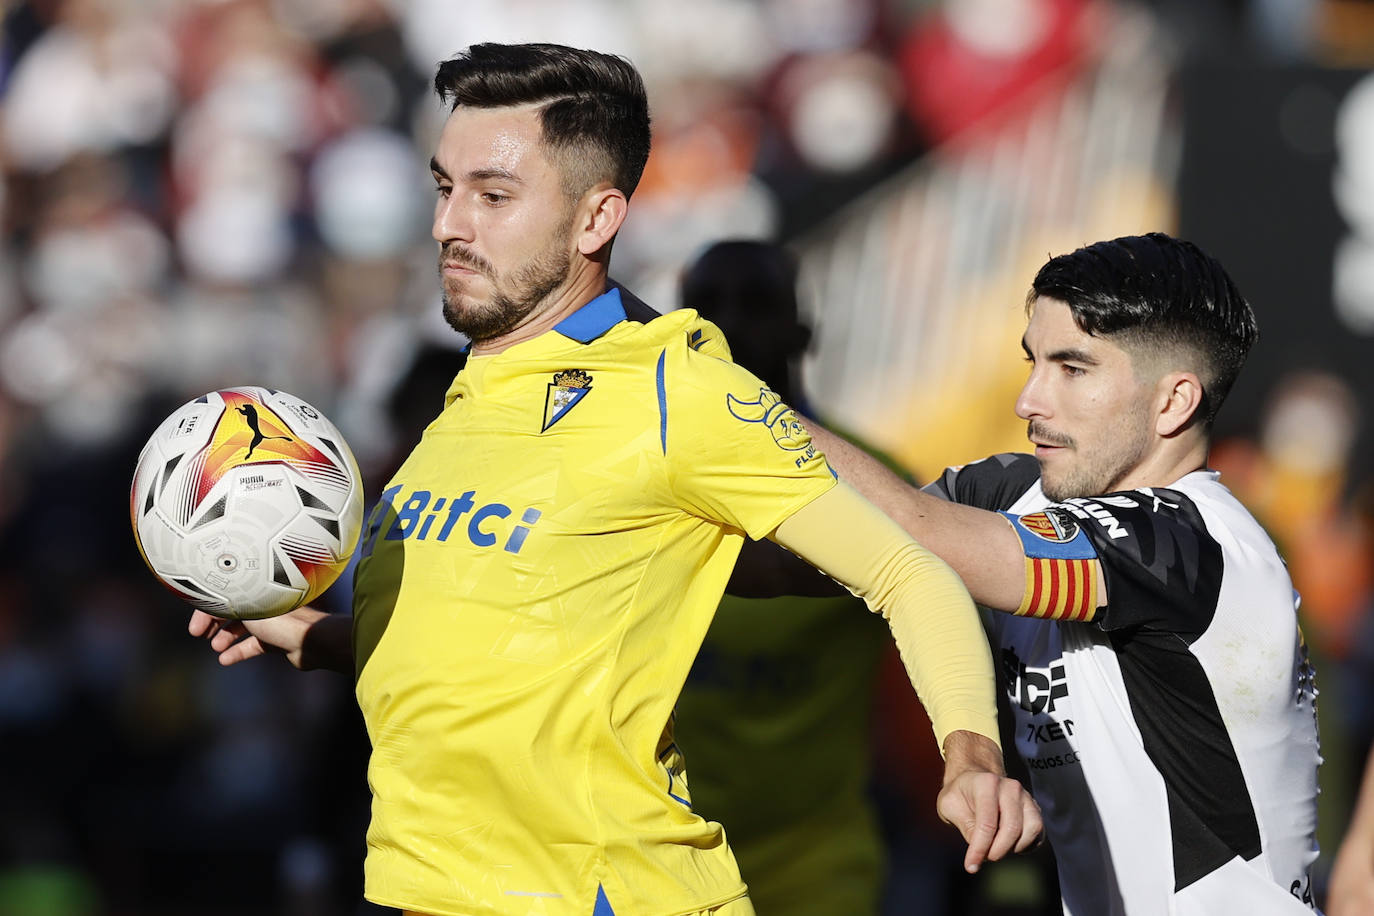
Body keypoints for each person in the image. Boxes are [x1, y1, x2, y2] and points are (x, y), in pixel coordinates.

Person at [187, 42, 1039, 916]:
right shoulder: (470, 393)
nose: (450, 224)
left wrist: (971, 756)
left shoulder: (676, 393)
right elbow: (504, 650)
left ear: (596, 221)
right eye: (445, 188)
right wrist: (317, 638)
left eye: (494, 195)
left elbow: (910, 570)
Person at [806, 233, 1322, 914]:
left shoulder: (1191, 543)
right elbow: (826, 549)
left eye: (1072, 369)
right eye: (1033, 362)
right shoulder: (1010, 497)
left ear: (1173, 402)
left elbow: (909, 529)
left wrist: (719, 398)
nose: (1028, 401)